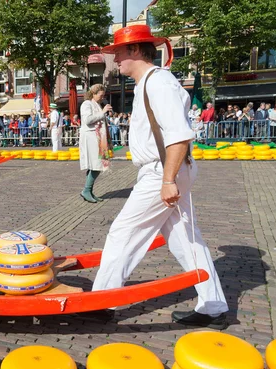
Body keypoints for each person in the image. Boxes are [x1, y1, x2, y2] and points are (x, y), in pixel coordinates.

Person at [90, 25, 228, 329]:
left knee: (124, 232)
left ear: (136, 50)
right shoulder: (150, 83)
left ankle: (101, 301)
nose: (115, 60)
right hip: (166, 169)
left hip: (162, 171)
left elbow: (179, 136)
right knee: (185, 239)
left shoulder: (158, 83)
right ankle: (214, 305)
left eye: (119, 53)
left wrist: (167, 180)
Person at [78, 84, 112, 203]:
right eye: (101, 95)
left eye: (103, 95)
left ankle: (89, 191)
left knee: (96, 164)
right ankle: (86, 190)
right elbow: (87, 120)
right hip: (91, 137)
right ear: (94, 94)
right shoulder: (87, 104)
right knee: (96, 164)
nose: (102, 97)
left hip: (98, 138)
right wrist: (102, 112)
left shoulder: (97, 104)